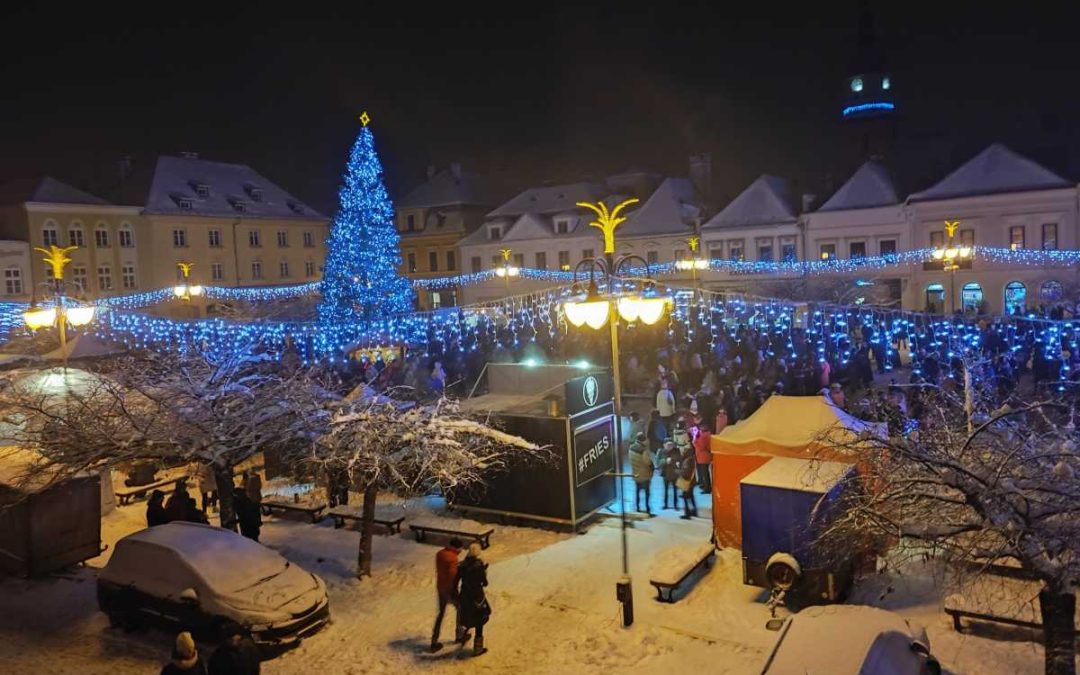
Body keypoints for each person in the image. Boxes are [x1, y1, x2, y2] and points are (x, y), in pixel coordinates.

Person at [456, 543, 491, 657]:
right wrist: (484, 571)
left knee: (466, 617)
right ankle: (478, 647)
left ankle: (462, 636)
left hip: (465, 596)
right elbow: (484, 583)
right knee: (480, 620)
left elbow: (456, 580)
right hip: (476, 597)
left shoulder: (461, 565)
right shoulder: (479, 566)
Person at [431, 538, 464, 652]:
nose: (461, 551)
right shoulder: (453, 558)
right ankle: (459, 635)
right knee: (460, 608)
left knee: (440, 614)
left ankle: (434, 640)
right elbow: (452, 575)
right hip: (449, 589)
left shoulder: (440, 554)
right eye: (460, 549)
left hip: (440, 587)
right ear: (456, 548)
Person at [628, 432, 655, 516]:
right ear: (642, 440)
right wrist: (652, 466)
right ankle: (647, 509)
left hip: (636, 474)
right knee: (647, 493)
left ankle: (638, 507)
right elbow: (647, 462)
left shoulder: (631, 448)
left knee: (637, 491)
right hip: (645, 475)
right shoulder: (644, 450)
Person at [677, 437, 699, 520]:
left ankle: (687, 513)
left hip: (687, 481)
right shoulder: (691, 457)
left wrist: (678, 471)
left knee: (686, 497)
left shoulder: (688, 459)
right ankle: (694, 511)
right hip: (691, 480)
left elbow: (686, 472)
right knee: (691, 496)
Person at [660, 440, 681, 510]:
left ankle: (676, 505)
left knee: (675, 490)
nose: (670, 446)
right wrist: (665, 461)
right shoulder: (661, 451)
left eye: (671, 445)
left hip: (674, 474)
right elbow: (658, 462)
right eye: (668, 445)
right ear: (664, 445)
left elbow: (679, 459)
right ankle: (665, 504)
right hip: (665, 474)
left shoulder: (676, 451)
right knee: (666, 490)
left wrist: (673, 461)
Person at [693, 422, 713, 494]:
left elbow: (701, 447)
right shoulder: (708, 434)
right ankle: (705, 485)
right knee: (705, 472)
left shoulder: (703, 436)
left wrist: (694, 441)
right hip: (705, 456)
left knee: (705, 473)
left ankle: (707, 487)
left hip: (703, 457)